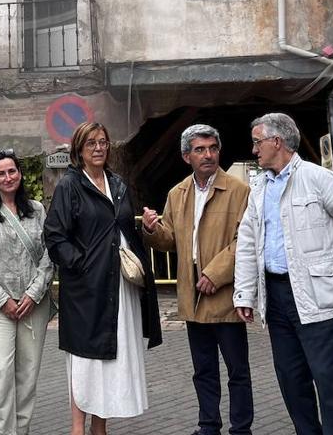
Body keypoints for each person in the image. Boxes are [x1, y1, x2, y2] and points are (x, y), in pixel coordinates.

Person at [232, 112, 333, 435]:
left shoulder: (317, 178)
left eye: (257, 143)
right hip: (277, 294)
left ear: (276, 142)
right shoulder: (259, 186)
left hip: (316, 294)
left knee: (328, 378)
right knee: (291, 377)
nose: (254, 150)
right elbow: (248, 240)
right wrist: (244, 291)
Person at [44, 121, 162, 435]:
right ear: (79, 150)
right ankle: (78, 429)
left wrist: (146, 229)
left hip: (119, 286)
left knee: (109, 359)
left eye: (103, 142)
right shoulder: (70, 185)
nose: (98, 148)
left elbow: (121, 230)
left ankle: (101, 428)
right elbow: (55, 237)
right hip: (86, 290)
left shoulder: (118, 183)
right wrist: (80, 266)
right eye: (91, 143)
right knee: (85, 362)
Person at [142, 123, 253, 435]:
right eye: (200, 149)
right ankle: (208, 426)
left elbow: (244, 240)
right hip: (192, 294)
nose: (208, 155)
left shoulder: (238, 190)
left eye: (212, 148)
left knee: (237, 370)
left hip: (223, 294)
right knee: (203, 369)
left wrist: (215, 273)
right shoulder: (177, 194)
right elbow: (168, 240)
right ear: (185, 156)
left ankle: (241, 428)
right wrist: (151, 228)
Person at [0, 149, 55, 435]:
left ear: (20, 174)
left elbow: (48, 255)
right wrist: (3, 299)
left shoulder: (37, 209)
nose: (8, 177)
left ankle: (22, 429)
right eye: (1, 173)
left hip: (34, 302)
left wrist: (33, 294)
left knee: (28, 373)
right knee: (1, 372)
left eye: (12, 171)